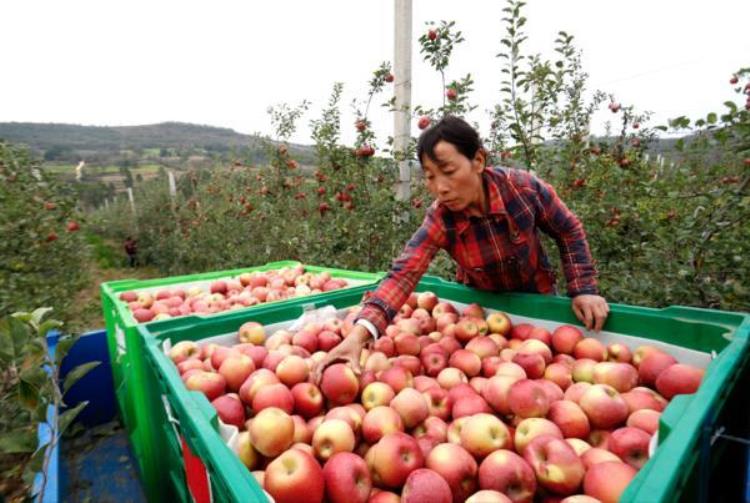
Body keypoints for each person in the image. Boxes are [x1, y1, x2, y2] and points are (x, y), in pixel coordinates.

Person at [312, 115, 609, 381]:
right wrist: (359, 335)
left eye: (449, 171)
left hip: (537, 304)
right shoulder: (442, 218)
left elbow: (568, 229)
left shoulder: (523, 190)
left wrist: (583, 287)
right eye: (430, 177)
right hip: (481, 315)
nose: (440, 187)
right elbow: (403, 274)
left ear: (478, 161)